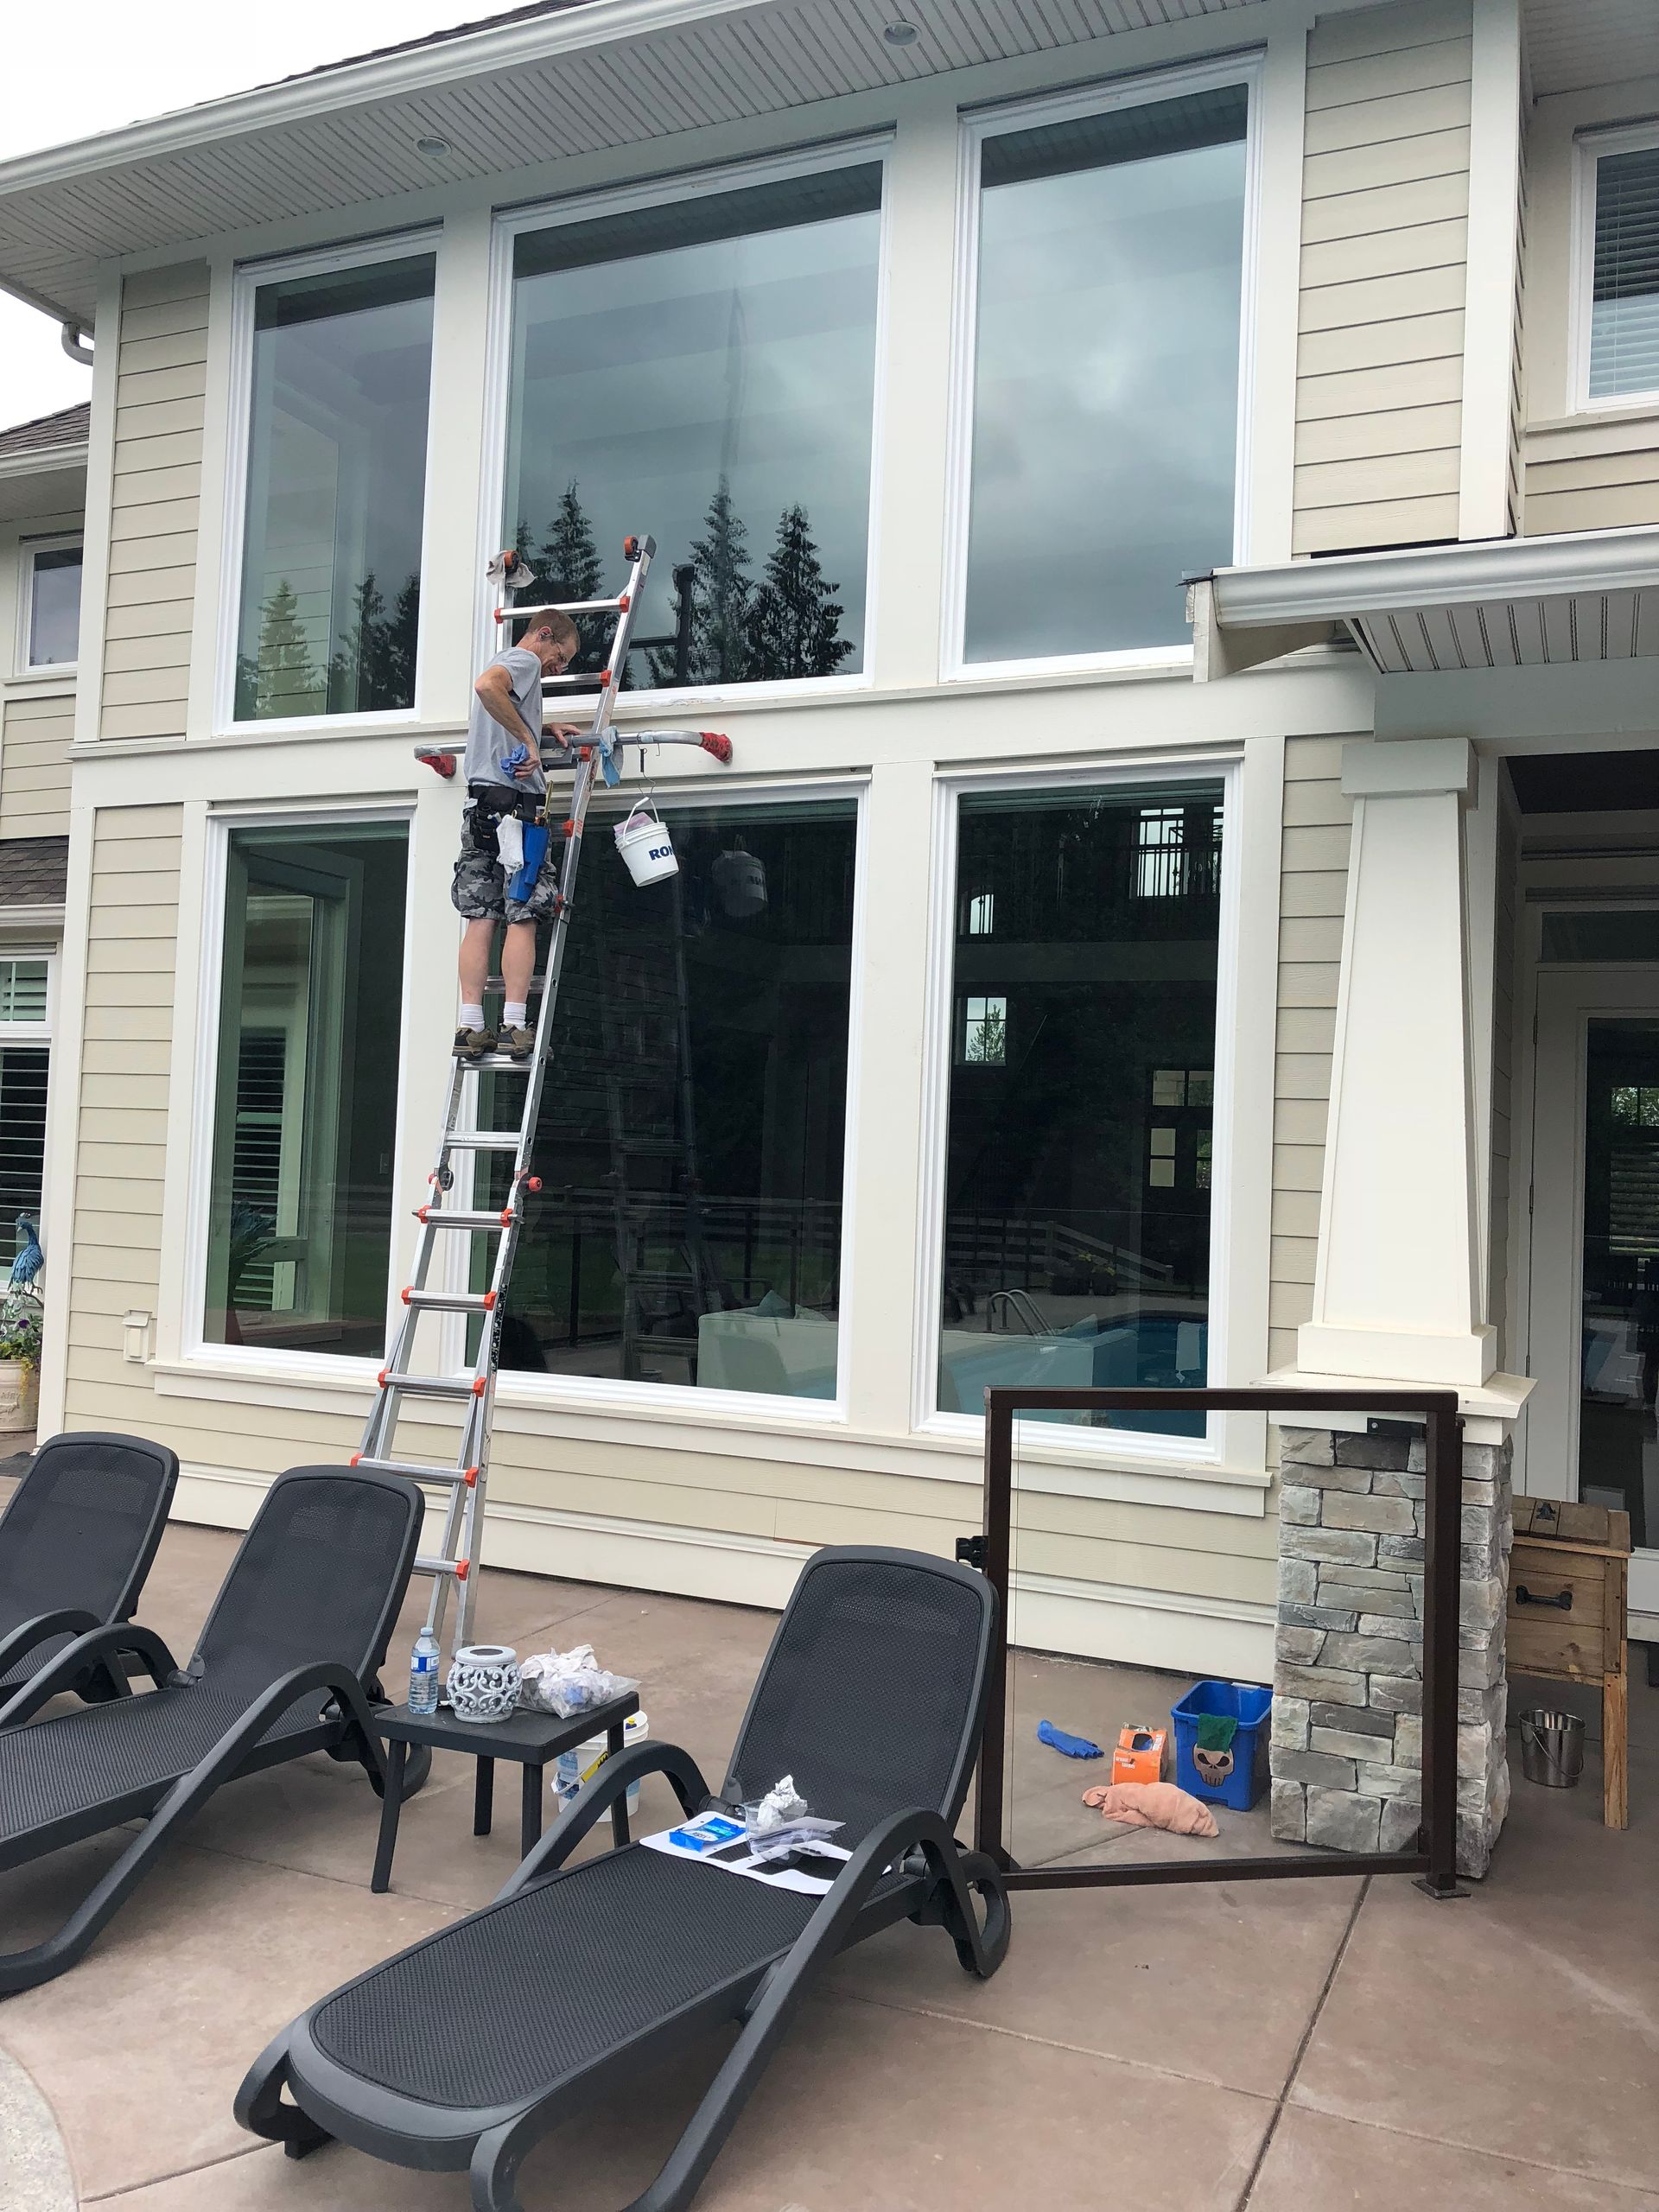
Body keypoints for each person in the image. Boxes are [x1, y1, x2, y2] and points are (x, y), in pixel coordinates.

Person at [452, 598, 584, 1060]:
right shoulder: (523, 661)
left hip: (481, 809)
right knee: (523, 914)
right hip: (520, 814)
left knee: (480, 917)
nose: (557, 669)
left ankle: (471, 1026)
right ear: (545, 634)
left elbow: (495, 708)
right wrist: (531, 740)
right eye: (561, 657)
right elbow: (487, 686)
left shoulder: (508, 668)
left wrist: (539, 728)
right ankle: (513, 1024)